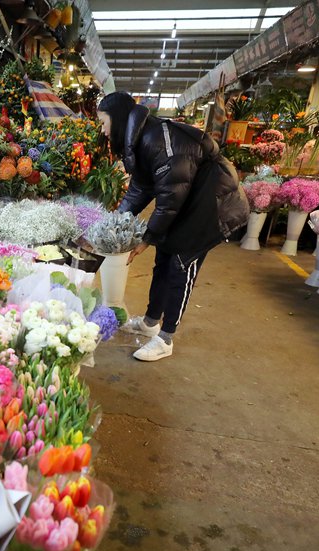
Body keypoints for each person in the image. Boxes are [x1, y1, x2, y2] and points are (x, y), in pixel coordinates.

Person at [97, 92, 249, 362]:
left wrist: (146, 238)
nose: (103, 130)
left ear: (118, 119)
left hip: (212, 206)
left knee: (181, 264)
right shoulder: (142, 139)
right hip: (189, 201)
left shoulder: (158, 140)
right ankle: (150, 322)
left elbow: (170, 198)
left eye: (104, 122)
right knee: (164, 257)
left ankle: (166, 338)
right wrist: (115, 223)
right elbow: (141, 188)